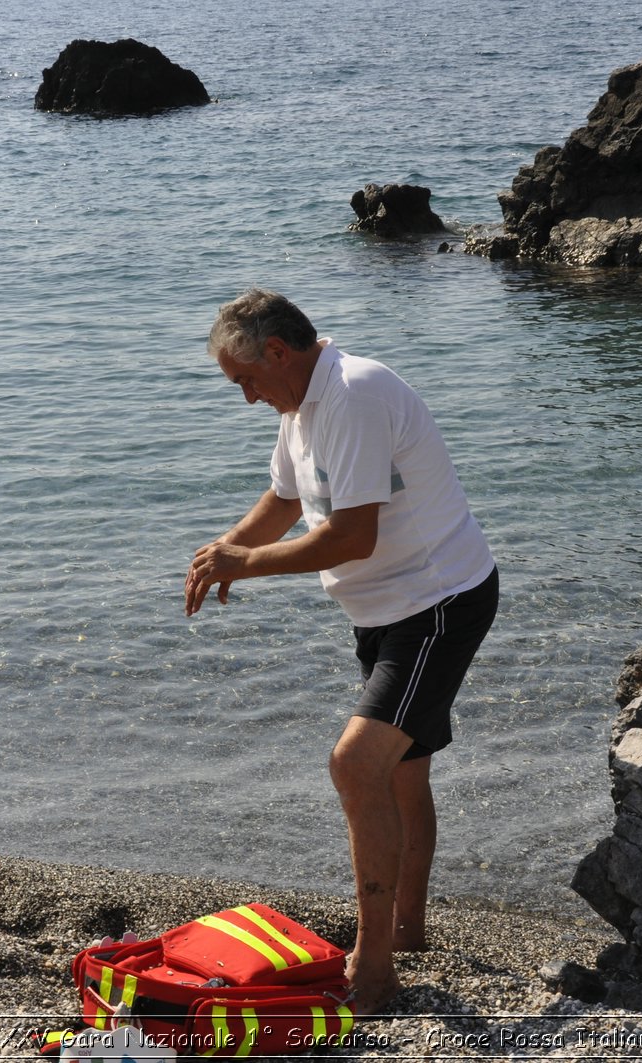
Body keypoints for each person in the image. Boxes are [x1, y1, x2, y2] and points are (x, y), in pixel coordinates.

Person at [184, 288, 498, 1016]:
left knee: (355, 765)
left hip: (437, 603)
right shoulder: (303, 405)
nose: (247, 397)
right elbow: (287, 500)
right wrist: (224, 549)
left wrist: (246, 564)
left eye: (245, 381)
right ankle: (409, 933)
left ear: (277, 353)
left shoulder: (353, 394)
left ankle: (376, 967)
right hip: (387, 610)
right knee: (398, 778)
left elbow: (353, 537)